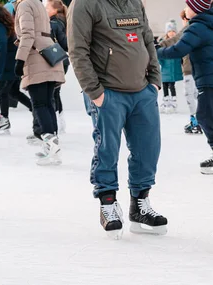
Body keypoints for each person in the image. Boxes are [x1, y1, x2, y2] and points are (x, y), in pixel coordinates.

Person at [68, 0, 168, 239]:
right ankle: (108, 203)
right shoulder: (84, 4)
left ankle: (140, 204)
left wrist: (154, 81)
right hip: (108, 93)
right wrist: (95, 92)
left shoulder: (134, 2)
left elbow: (147, 40)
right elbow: (77, 50)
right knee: (107, 149)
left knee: (148, 149)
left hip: (142, 92)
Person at [156, 0, 213, 175]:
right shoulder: (211, 24)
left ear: (196, 10)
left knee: (203, 116)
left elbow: (177, 51)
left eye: (188, 7)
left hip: (209, 78)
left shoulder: (197, 27)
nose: (185, 10)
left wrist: (155, 51)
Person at [15, 0, 66, 165]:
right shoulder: (38, 4)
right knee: (48, 103)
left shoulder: (24, 5)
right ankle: (52, 147)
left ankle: (50, 147)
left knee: (39, 104)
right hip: (49, 56)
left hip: (37, 59)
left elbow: (28, 34)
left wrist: (20, 60)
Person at [158, 9, 201, 135]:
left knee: (191, 95)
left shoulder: (189, 29)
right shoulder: (193, 29)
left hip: (191, 68)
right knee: (193, 95)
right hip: (193, 68)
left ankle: (196, 121)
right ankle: (196, 120)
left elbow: (176, 40)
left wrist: (158, 48)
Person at [0, 1, 31, 134]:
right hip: (13, 62)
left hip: (8, 64)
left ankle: (4, 120)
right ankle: (35, 110)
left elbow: (1, 44)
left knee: (1, 91)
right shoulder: (1, 21)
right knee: (13, 92)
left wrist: (0, 67)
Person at [46, 0, 69, 134]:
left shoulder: (52, 24)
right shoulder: (63, 22)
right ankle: (60, 121)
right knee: (55, 92)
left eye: (48, 7)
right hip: (62, 61)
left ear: (55, 10)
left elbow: (64, 44)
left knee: (51, 93)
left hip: (55, 61)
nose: (45, 9)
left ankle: (54, 125)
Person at [158, 20, 183, 114]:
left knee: (172, 85)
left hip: (174, 68)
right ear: (166, 33)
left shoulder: (178, 43)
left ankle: (173, 102)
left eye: (173, 31)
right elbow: (159, 54)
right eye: (169, 31)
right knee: (164, 85)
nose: (171, 33)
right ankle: (166, 101)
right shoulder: (163, 43)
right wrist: (161, 63)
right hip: (165, 67)